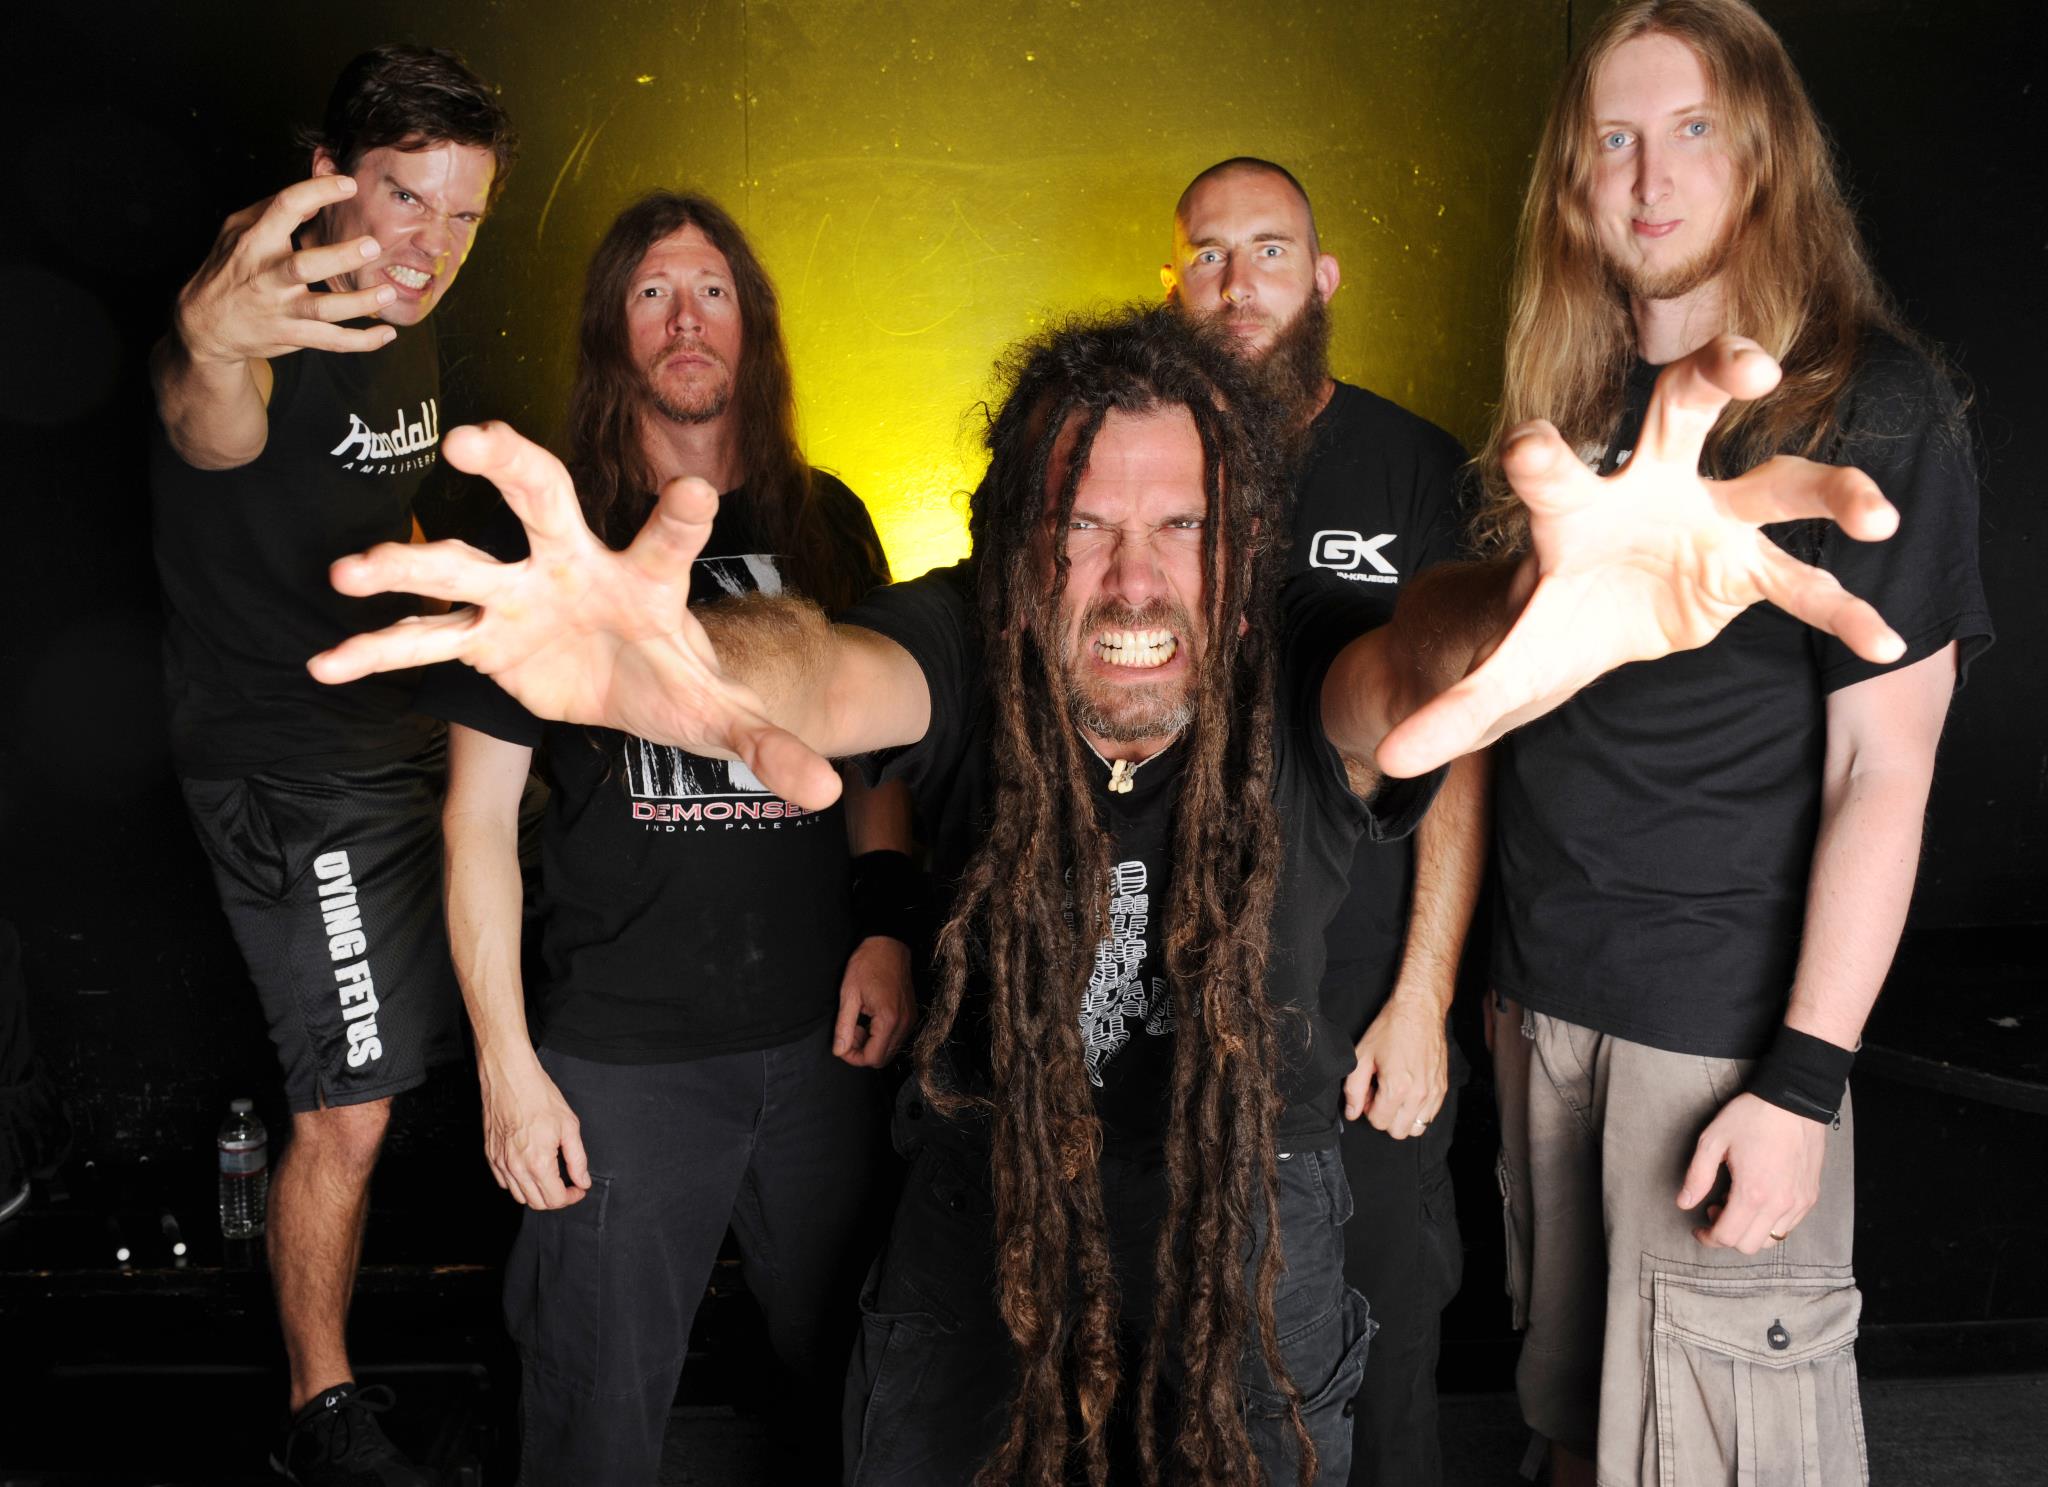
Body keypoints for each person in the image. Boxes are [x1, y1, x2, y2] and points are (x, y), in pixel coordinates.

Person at [309, 304, 1905, 1485]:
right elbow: (831, 672)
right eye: (1082, 531)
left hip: (1259, 1209)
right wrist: (679, 657)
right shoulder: (964, 637)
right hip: (982, 1201)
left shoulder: (1302, 650)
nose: (1135, 582)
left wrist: (1538, 599)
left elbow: (1412, 662)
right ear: (1020, 544)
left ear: (1242, 542)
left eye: (1179, 529)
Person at [1465, 3, 1995, 1483]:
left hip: (1717, 1048)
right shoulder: (1571, 409)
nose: (1650, 178)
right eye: (1614, 140)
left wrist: (1803, 1083)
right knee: (1574, 1440)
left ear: (1764, 156)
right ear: (1573, 180)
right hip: (1543, 1015)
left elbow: (1885, 768)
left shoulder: (1870, 406)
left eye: (1693, 130)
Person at [433, 191, 917, 1485]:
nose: (686, 317)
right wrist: (507, 1067)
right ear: (613, 328)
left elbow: (878, 761)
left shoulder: (828, 520)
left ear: (753, 325)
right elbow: (475, 821)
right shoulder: (542, 541)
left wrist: (885, 928)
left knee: (862, 1402)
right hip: (620, 1062)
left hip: (819, 1049)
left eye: (712, 290)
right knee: (591, 1426)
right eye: (653, 291)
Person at [147, 44, 514, 1486]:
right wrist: (207, 345)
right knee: (347, 1103)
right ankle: (320, 1414)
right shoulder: (265, 317)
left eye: (462, 214)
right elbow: (211, 419)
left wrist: (449, 604)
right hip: (289, 774)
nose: (432, 243)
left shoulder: (401, 317)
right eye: (404, 196)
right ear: (326, 175)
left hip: (395, 732)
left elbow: (361, 504)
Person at [1164, 157, 1484, 1486]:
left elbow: (1466, 740)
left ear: (1325, 277)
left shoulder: (1415, 467)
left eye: (1271, 251)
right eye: (1210, 255)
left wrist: (1423, 997)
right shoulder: (1141, 466)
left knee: (1381, 1334)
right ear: (1174, 284)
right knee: (1187, 1340)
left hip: (1360, 998)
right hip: (1177, 983)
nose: (1239, 284)